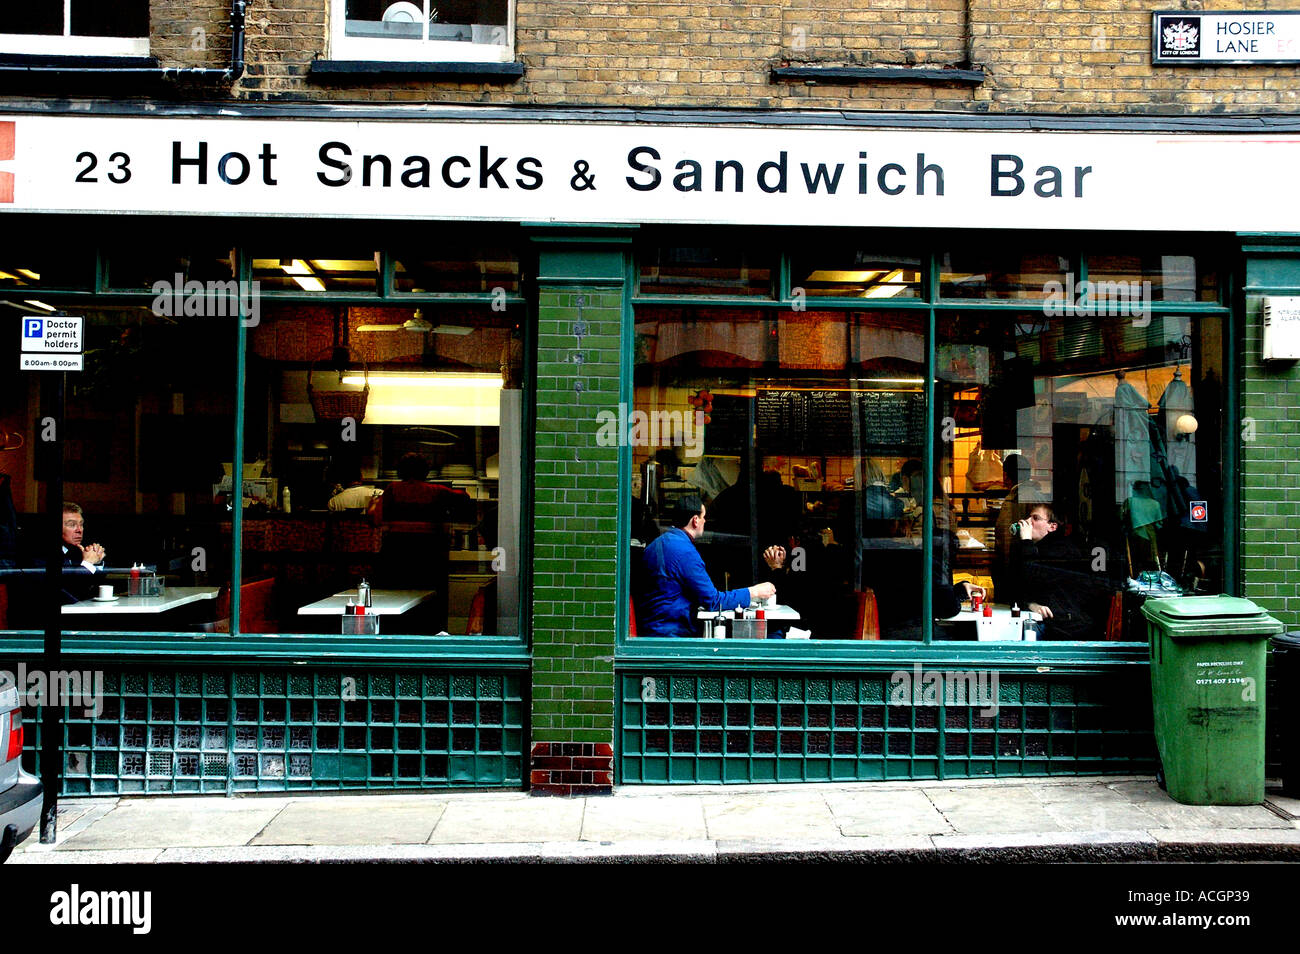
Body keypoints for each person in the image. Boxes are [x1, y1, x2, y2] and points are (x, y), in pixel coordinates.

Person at [635, 495, 776, 638]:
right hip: (672, 634)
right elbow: (713, 601)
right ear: (695, 520)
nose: (705, 521)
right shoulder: (685, 552)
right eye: (703, 517)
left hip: (651, 630)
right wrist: (754, 592)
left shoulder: (655, 544)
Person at [1009, 503, 1109, 640]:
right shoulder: (1033, 549)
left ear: (1052, 526)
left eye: (1035, 518)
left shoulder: (1062, 550)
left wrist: (1026, 541)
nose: (1028, 522)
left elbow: (1034, 575)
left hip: (1068, 629)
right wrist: (1030, 604)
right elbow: (1015, 585)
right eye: (1029, 517)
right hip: (1053, 624)